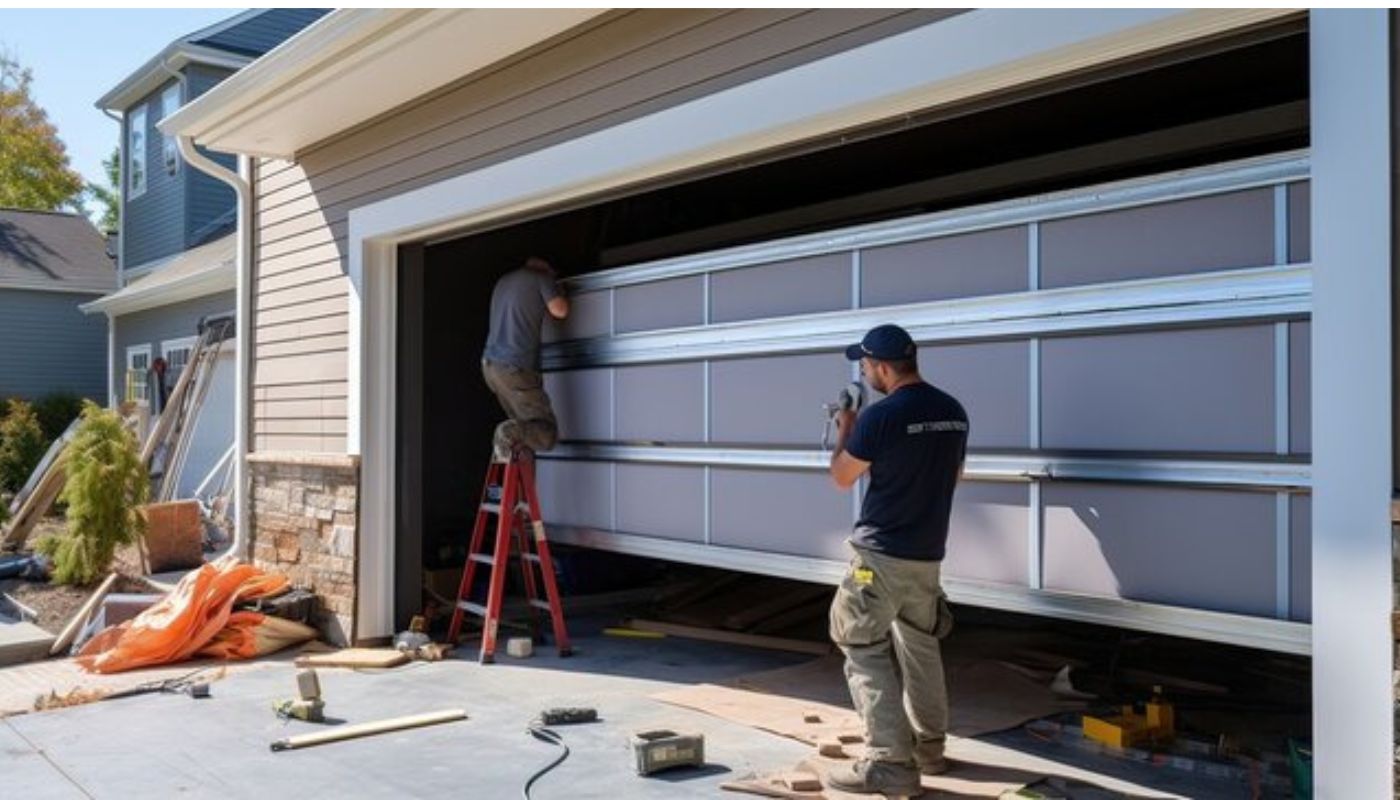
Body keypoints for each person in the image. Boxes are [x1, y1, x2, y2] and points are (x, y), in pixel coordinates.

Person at [825, 323, 969, 796]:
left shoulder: (880, 417)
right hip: (927, 555)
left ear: (883, 367)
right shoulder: (953, 411)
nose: (865, 374)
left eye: (866, 366)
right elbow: (956, 474)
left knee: (861, 643)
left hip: (880, 556)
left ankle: (889, 764)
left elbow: (842, 477)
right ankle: (929, 750)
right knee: (921, 646)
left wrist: (846, 427)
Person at [481, 256, 570, 460]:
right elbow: (560, 310)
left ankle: (508, 456)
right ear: (547, 267)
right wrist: (558, 290)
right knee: (545, 433)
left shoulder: (504, 281)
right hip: (516, 367)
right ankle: (508, 434)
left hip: (491, 367)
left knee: (524, 430)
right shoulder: (541, 278)